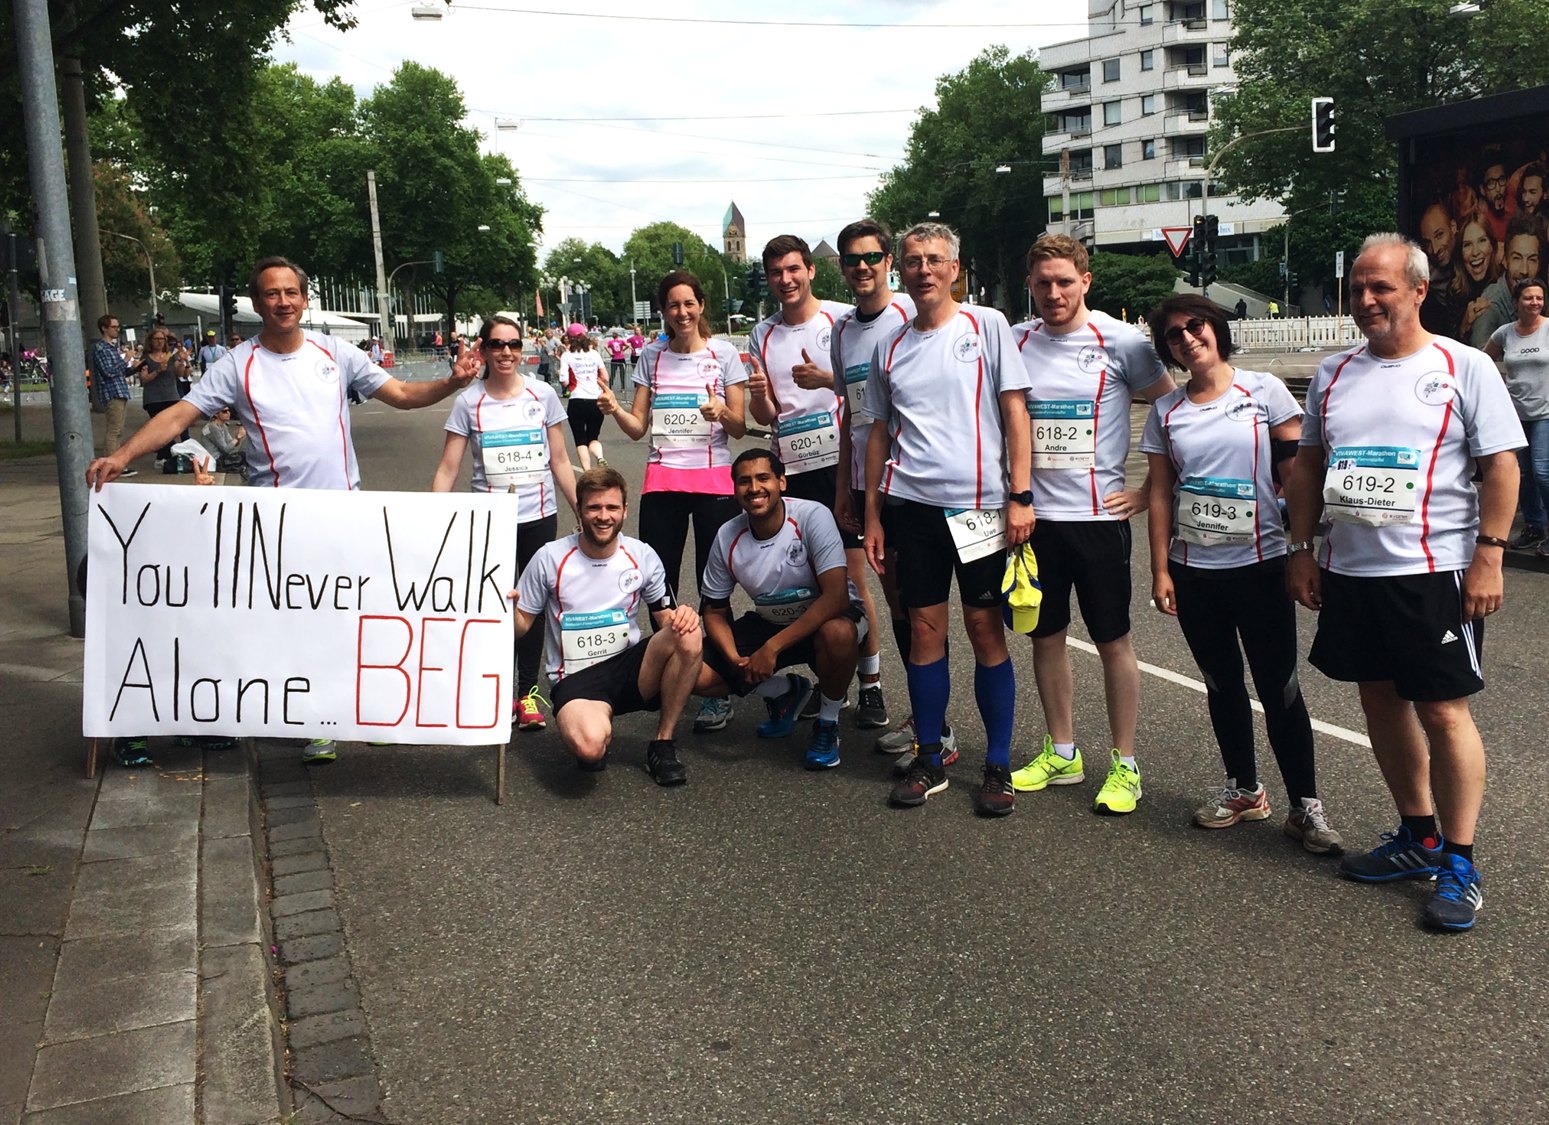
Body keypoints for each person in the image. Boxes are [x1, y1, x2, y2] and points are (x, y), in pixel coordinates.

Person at [86, 254, 479, 764]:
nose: (283, 301)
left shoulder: (335, 351)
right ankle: (303, 713)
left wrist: (452, 383)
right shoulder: (237, 364)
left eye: (291, 292)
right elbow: (182, 413)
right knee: (288, 623)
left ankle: (341, 715)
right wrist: (121, 455)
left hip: (343, 513)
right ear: (257, 302)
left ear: (304, 298)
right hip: (275, 520)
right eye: (272, 293)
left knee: (349, 618)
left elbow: (401, 393)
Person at [1284, 233, 1524, 932]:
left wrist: (1489, 554)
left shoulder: (1462, 364)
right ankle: (1415, 836)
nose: (1364, 300)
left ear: (1417, 289)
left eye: (1379, 287)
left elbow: (1502, 466)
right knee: (1378, 699)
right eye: (1356, 288)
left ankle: (1458, 858)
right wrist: (1300, 549)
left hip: (1432, 570)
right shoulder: (1332, 373)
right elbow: (1306, 466)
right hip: (1351, 569)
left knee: (1443, 711)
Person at [1141, 295, 1341, 851]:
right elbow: (1160, 493)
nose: (1187, 339)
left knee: (1280, 688)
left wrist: (1303, 545)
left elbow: (1296, 475)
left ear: (1216, 329)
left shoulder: (1264, 392)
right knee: (1221, 684)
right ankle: (1245, 789)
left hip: (1259, 567)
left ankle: (1307, 807)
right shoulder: (1166, 412)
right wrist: (1160, 569)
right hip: (1194, 571)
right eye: (1174, 335)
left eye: (1195, 326)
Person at [861, 221, 1032, 815]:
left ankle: (998, 765)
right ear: (899, 269)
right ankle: (929, 757)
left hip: (980, 509)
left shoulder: (986, 326)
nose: (923, 269)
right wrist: (873, 514)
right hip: (911, 509)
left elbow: (1015, 413)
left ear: (954, 269)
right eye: (913, 261)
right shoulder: (890, 343)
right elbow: (878, 432)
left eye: (935, 259)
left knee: (986, 631)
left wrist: (1021, 495)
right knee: (925, 632)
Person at [1008, 233, 1175, 815]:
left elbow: (1174, 409)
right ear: (1029, 285)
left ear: (1085, 281)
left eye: (1064, 282)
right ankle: (1063, 751)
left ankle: (1124, 764)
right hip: (1035, 519)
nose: (1053, 293)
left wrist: (1152, 490)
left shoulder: (1121, 340)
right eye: (1042, 283)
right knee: (1045, 637)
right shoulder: (1015, 341)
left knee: (1112, 641)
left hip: (1099, 519)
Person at [596, 270, 746, 739]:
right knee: (656, 579)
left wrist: (721, 411)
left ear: (702, 305)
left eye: (689, 304)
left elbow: (740, 427)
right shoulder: (651, 355)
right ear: (663, 311)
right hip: (662, 481)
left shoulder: (723, 354)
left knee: (712, 585)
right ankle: (667, 667)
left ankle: (715, 687)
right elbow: (639, 427)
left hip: (713, 481)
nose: (681, 312)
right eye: (672, 305)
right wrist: (614, 408)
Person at [433, 314, 579, 732]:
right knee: (492, 608)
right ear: (483, 350)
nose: (506, 353)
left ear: (522, 349)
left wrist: (580, 510)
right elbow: (448, 468)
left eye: (513, 344)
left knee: (530, 607)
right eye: (497, 345)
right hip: (491, 521)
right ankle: (490, 690)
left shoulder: (543, 394)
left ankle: (528, 693)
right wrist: (427, 520)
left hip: (538, 518)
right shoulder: (469, 402)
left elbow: (560, 461)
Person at [511, 466, 701, 786]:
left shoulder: (641, 555)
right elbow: (521, 627)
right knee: (589, 748)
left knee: (690, 633)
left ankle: (663, 743)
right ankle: (597, 724)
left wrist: (683, 617)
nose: (603, 516)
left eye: (612, 507)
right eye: (594, 507)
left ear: (625, 510)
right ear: (580, 510)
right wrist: (505, 609)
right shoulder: (550, 558)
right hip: (577, 679)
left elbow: (665, 622)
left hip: (629, 670)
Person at [694, 450, 864, 769]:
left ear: (781, 482)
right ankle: (786, 691)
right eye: (744, 481)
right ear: (735, 490)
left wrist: (771, 649)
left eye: (763, 478)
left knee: (838, 633)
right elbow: (714, 611)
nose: (754, 488)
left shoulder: (813, 516)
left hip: (828, 618)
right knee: (693, 671)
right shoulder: (727, 535)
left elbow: (837, 597)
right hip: (770, 620)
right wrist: (734, 661)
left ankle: (827, 724)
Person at [747, 235, 854, 719]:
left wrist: (827, 379)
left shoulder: (841, 318)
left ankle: (868, 681)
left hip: (839, 461)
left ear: (811, 270)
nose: (785, 280)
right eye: (776, 272)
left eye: (793, 269)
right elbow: (769, 413)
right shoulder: (760, 333)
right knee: (809, 574)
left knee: (852, 579)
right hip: (791, 464)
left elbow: (869, 384)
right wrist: (757, 396)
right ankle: (827, 675)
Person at [830, 219, 914, 741]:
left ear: (888, 262)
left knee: (926, 605)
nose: (863, 267)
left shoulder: (910, 314)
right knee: (897, 601)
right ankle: (927, 715)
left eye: (872, 257)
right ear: (842, 268)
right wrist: (843, 491)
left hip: (915, 483)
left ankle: (935, 721)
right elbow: (851, 417)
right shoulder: (841, 330)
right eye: (852, 260)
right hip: (866, 486)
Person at [1484, 277, 1549, 550]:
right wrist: (1500, 386)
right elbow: (1483, 361)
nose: (1534, 302)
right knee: (1522, 474)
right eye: (1528, 298)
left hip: (1546, 412)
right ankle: (1534, 527)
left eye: (1538, 298)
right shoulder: (1504, 333)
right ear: (1515, 302)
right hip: (1515, 414)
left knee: (1543, 471)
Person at [1469, 215, 1544, 349]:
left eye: (1532, 259)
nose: (1524, 270)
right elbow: (1483, 363)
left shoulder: (1541, 296)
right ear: (1505, 260)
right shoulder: (1490, 307)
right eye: (1517, 258)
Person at [136, 327, 191, 467]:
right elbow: (144, 380)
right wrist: (158, 371)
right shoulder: (146, 358)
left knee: (170, 428)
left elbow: (180, 375)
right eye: (156, 339)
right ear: (151, 341)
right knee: (159, 428)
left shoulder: (171, 356)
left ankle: (164, 456)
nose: (159, 342)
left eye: (162, 339)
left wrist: (184, 362)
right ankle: (167, 455)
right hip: (154, 398)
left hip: (171, 395)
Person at [90, 314, 135, 474]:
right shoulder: (101, 348)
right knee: (113, 430)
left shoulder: (111, 348)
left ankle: (113, 462)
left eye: (117, 327)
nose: (117, 330)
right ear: (104, 328)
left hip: (119, 390)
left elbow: (119, 372)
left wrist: (135, 367)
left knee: (118, 430)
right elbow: (109, 372)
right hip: (111, 392)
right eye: (114, 327)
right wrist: (125, 359)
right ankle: (110, 463)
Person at [560, 324, 608, 468]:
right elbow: (605, 377)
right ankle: (600, 457)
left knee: (581, 440)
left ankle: (587, 471)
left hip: (577, 400)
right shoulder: (594, 354)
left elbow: (564, 382)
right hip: (596, 400)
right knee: (593, 438)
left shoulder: (566, 356)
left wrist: (561, 375)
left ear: (569, 338)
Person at [198, 404, 248, 482]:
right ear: (216, 414)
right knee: (243, 456)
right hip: (216, 460)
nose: (228, 413)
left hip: (222, 457)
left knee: (244, 454)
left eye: (229, 411)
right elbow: (226, 449)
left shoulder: (222, 425)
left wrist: (237, 439)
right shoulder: (213, 427)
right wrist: (238, 437)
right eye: (224, 411)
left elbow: (230, 443)